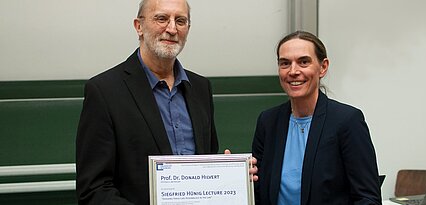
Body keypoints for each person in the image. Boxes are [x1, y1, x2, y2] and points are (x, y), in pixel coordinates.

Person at [76, 0, 219, 204]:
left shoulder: (201, 88)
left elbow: (207, 163)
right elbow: (93, 189)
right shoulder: (104, 91)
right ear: (139, 26)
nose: (171, 29)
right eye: (161, 18)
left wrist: (228, 172)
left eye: (180, 21)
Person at [252, 31, 382, 205]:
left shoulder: (347, 121)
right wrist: (232, 173)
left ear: (323, 67)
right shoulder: (268, 122)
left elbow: (367, 199)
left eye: (303, 62)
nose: (293, 71)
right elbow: (258, 193)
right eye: (285, 63)